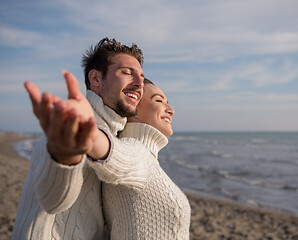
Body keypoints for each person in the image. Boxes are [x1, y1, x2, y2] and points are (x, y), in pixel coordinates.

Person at [12, 37, 146, 239]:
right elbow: (53, 201)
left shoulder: (116, 136)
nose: (138, 84)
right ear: (96, 79)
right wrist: (65, 157)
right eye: (127, 73)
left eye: (142, 78)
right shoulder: (68, 126)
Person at [101, 79, 191, 239]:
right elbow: (115, 157)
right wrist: (89, 137)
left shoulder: (146, 158)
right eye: (158, 100)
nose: (171, 110)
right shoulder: (137, 153)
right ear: (133, 111)